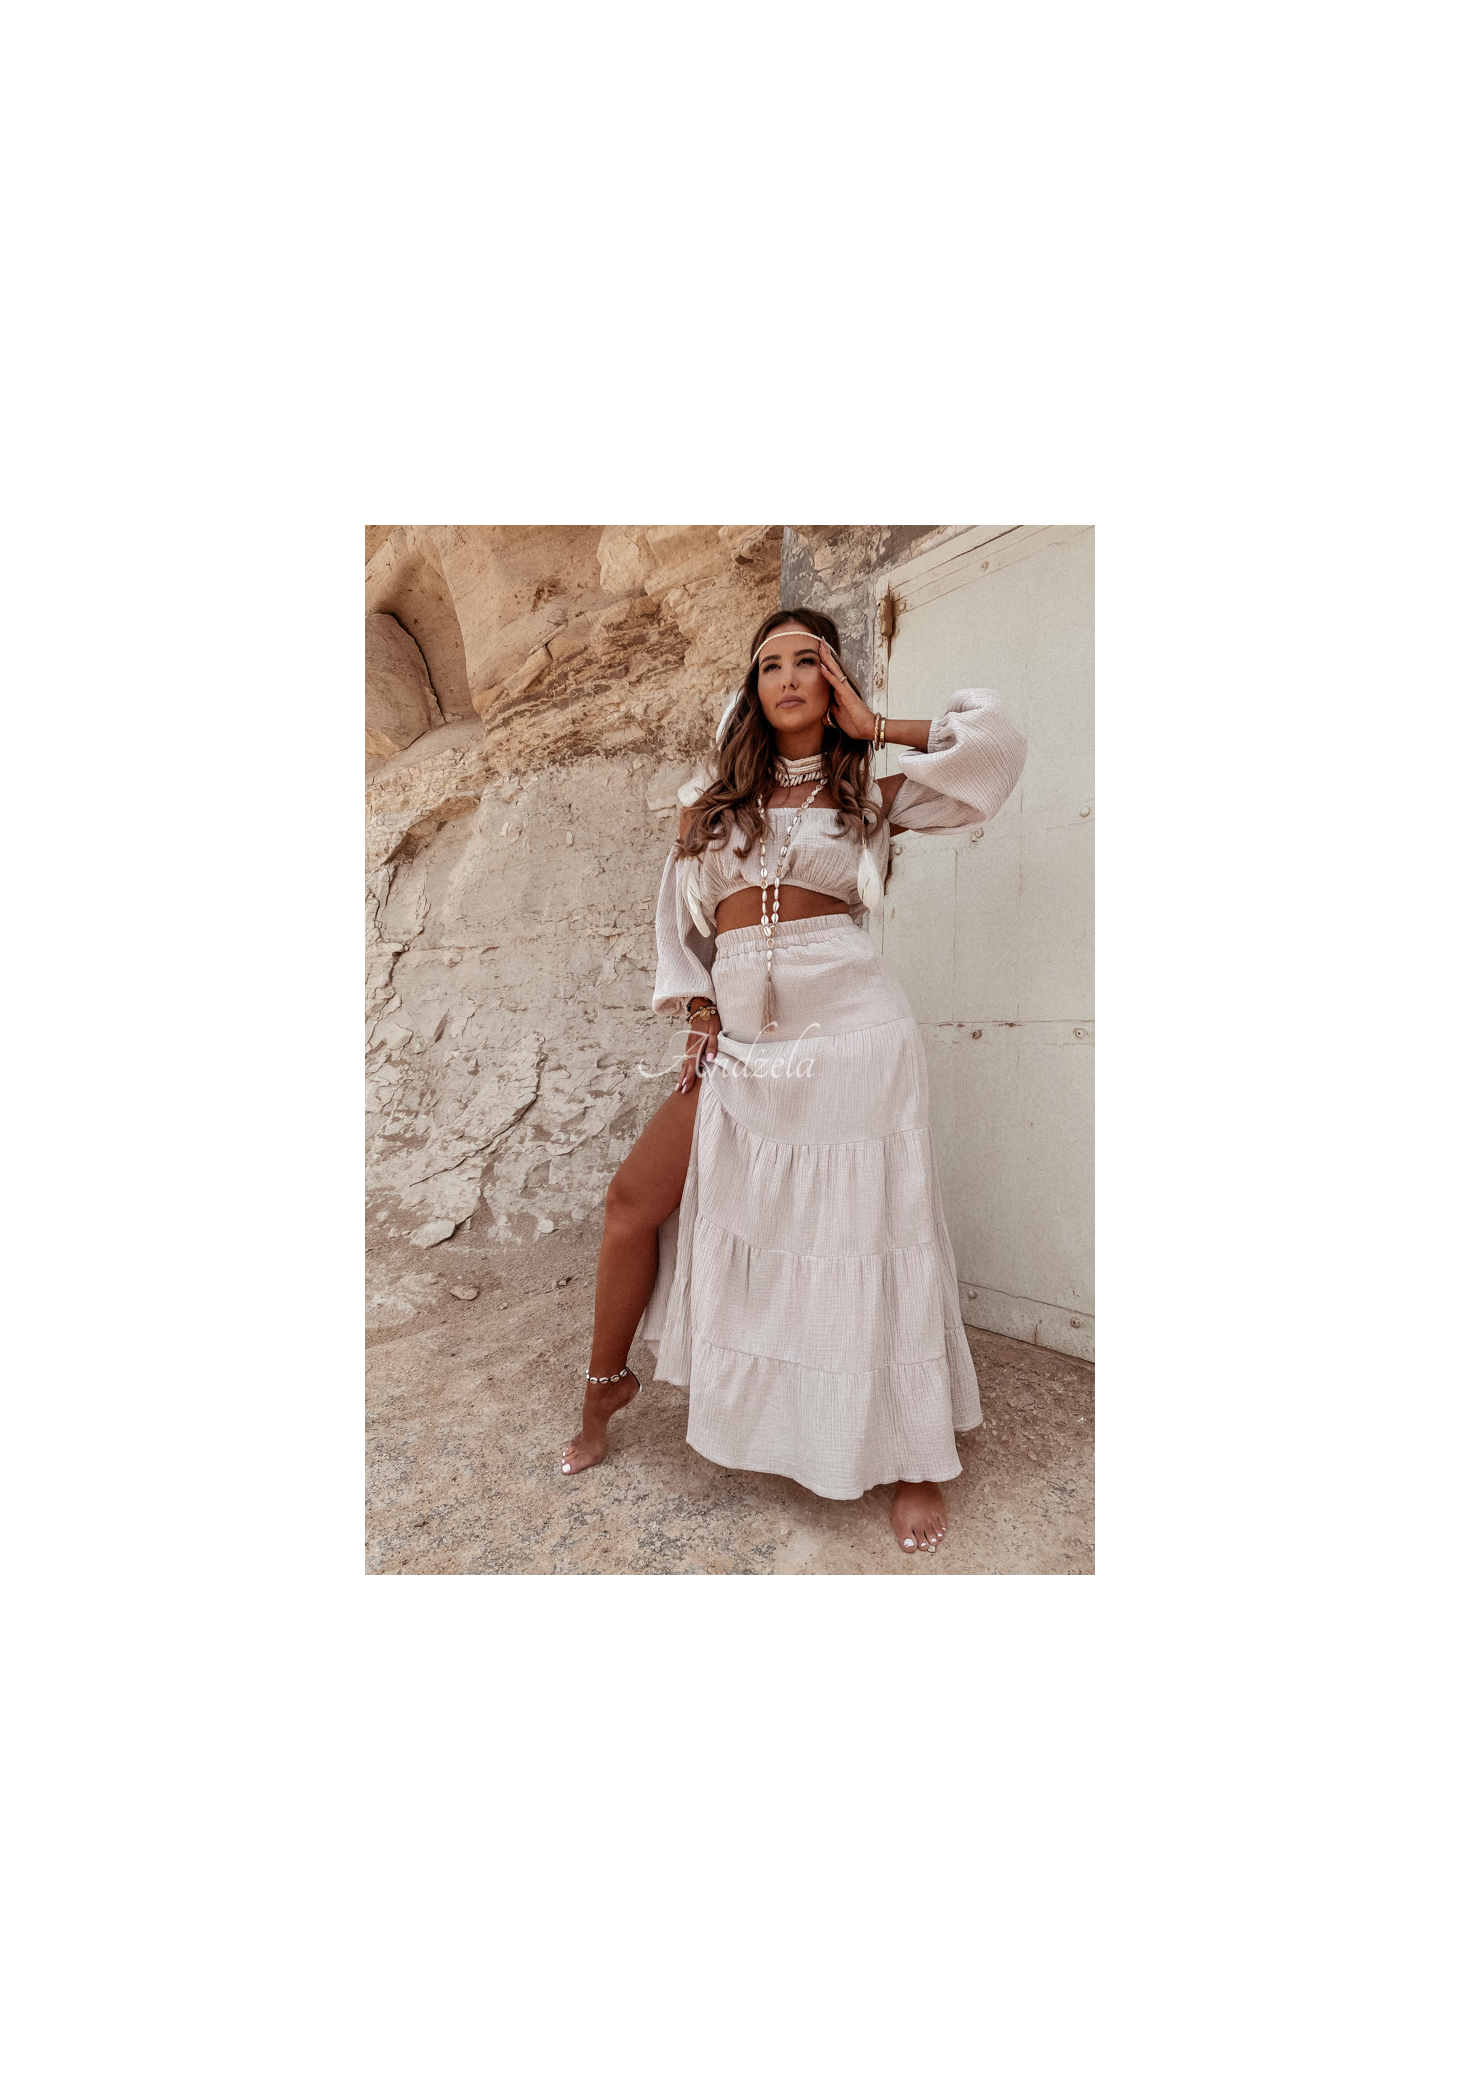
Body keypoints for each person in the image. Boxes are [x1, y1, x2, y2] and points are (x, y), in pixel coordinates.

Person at [561, 606, 1027, 1557]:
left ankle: (912, 1454)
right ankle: (605, 1388)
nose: (786, 678)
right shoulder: (709, 804)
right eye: (768, 664)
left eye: (806, 662)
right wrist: (700, 1015)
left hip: (855, 1031)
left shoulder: (872, 794)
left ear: (833, 680)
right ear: (753, 687)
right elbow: (681, 931)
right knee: (632, 1202)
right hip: (741, 1037)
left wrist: (877, 725)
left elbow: (995, 748)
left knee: (872, 1231)